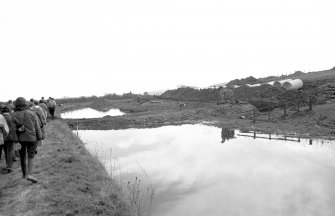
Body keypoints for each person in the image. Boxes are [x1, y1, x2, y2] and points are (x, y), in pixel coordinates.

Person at [12, 97, 42, 183]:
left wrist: (16, 141)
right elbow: (37, 127)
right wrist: (40, 138)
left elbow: (12, 130)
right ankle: (30, 174)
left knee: (22, 156)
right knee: (31, 155)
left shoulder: (13, 115)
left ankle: (24, 174)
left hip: (20, 139)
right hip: (32, 138)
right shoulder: (32, 113)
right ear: (25, 104)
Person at [1, 106, 18, 173]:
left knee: (5, 151)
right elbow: (15, 128)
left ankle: (7, 164)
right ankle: (9, 167)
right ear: (9, 111)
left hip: (3, 138)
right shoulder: (11, 117)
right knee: (10, 151)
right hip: (11, 137)